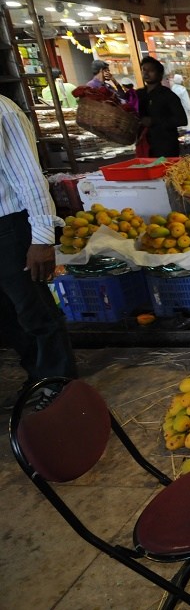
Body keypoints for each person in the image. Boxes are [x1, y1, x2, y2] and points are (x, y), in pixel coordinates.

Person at [0, 94, 77, 412]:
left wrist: (42, 238)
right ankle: (37, 375)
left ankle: (59, 383)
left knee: (34, 311)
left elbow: (30, 179)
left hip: (10, 226)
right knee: (5, 315)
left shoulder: (3, 111)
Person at [136, 56, 187, 158]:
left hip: (165, 146)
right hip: (145, 144)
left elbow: (182, 120)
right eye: (144, 70)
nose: (146, 73)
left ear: (159, 74)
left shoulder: (168, 95)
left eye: (151, 70)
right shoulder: (138, 94)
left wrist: (154, 121)